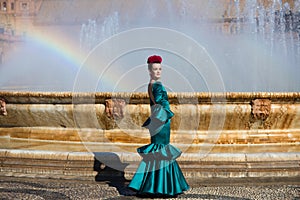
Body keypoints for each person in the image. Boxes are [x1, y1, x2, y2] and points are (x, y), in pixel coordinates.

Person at [128, 55, 189, 197]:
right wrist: (167, 114)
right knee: (162, 150)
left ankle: (152, 184)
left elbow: (155, 103)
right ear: (149, 70)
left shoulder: (150, 84)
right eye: (155, 69)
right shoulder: (157, 85)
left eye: (160, 69)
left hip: (157, 120)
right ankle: (163, 186)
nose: (158, 71)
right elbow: (161, 103)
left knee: (158, 150)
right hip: (161, 121)